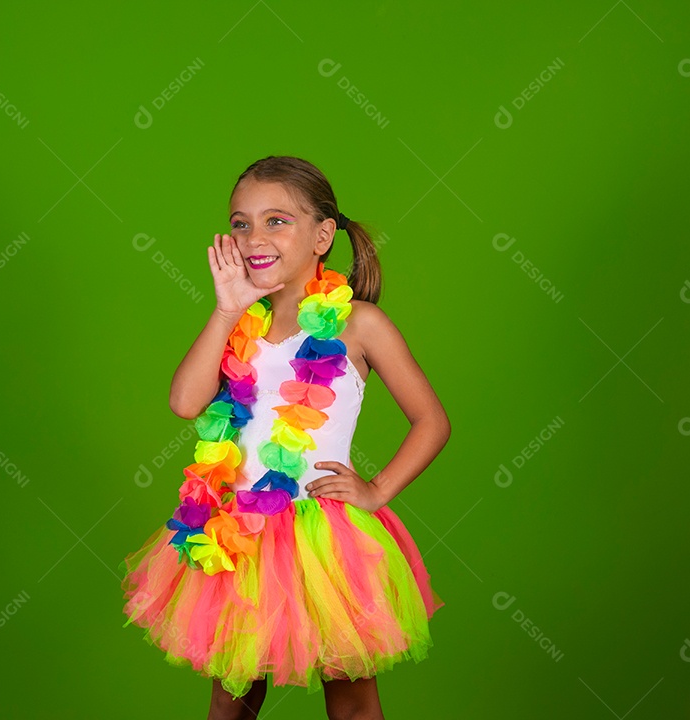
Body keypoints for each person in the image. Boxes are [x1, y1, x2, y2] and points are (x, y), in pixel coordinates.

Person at [120, 155, 450, 720]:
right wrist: (226, 311)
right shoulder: (241, 327)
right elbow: (185, 402)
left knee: (351, 701)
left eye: (277, 221)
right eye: (241, 222)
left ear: (323, 236)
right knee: (232, 701)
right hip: (239, 532)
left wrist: (376, 490)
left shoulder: (359, 325)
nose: (254, 236)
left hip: (325, 538)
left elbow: (432, 421)